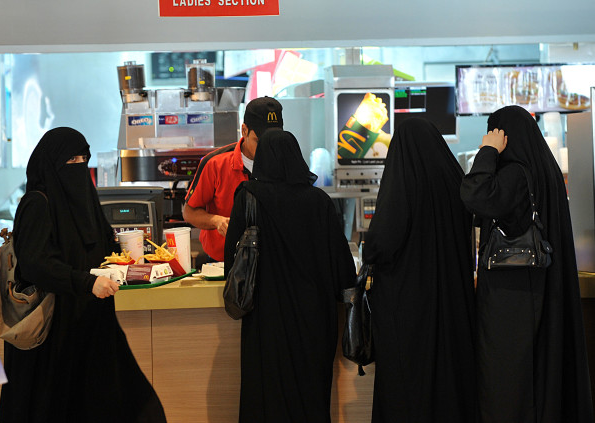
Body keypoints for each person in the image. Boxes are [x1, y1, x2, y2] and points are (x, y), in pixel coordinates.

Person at [0, 127, 166, 423]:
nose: (78, 165)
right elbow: (37, 264)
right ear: (50, 163)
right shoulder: (37, 203)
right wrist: (87, 283)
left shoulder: (87, 202)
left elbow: (104, 251)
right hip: (53, 333)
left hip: (93, 325)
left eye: (83, 159)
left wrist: (138, 262)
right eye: (71, 160)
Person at [460, 105, 593, 423]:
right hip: (536, 288)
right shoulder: (544, 170)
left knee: (507, 380)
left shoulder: (515, 174)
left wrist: (488, 152)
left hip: (513, 297)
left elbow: (475, 194)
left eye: (493, 133)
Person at [224, 129, 356, 422]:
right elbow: (343, 271)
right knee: (311, 399)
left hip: (265, 321)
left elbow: (230, 265)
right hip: (315, 323)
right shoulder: (319, 201)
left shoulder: (248, 197)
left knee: (266, 398)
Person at [362, 118, 476, 423]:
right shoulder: (455, 180)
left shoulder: (403, 180)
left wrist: (367, 250)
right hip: (454, 303)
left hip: (408, 308)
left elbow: (381, 242)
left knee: (407, 387)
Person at [184, 96, 283, 262]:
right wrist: (216, 221)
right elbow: (189, 212)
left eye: (272, 140)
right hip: (223, 261)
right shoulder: (215, 163)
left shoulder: (285, 162)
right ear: (244, 130)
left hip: (271, 261)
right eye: (259, 141)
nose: (266, 148)